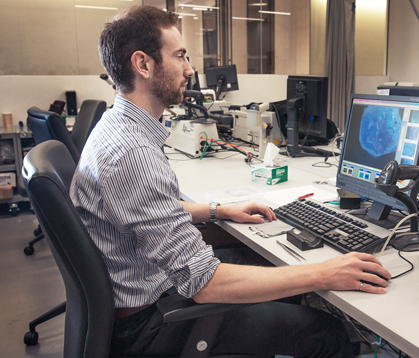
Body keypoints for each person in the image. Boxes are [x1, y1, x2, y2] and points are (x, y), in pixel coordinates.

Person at [70, 5, 391, 357]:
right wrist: (323, 274)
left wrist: (218, 210)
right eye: (179, 56)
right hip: (151, 327)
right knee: (329, 333)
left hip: (144, 295)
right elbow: (204, 284)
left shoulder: (116, 127)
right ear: (143, 64)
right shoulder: (132, 154)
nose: (190, 70)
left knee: (270, 266)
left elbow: (149, 209)